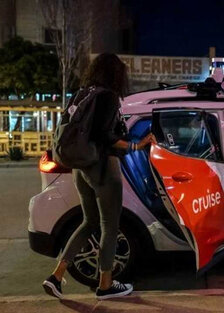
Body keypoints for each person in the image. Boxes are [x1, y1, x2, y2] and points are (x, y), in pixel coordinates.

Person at [42, 53, 156, 300]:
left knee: (89, 222)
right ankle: (105, 285)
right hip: (103, 167)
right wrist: (137, 145)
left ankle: (56, 276)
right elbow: (106, 136)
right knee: (109, 227)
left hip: (81, 169)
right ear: (116, 73)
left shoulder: (84, 92)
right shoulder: (108, 96)